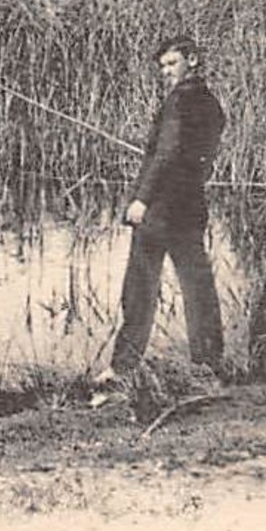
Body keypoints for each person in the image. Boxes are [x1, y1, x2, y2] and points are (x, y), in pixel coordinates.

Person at [95, 35, 227, 399]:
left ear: (193, 61)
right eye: (163, 67)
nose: (166, 72)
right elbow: (196, 156)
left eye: (172, 64)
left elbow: (166, 154)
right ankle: (209, 364)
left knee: (140, 289)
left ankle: (122, 368)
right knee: (198, 287)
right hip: (191, 205)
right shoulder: (212, 105)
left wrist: (140, 199)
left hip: (160, 210)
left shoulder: (179, 102)